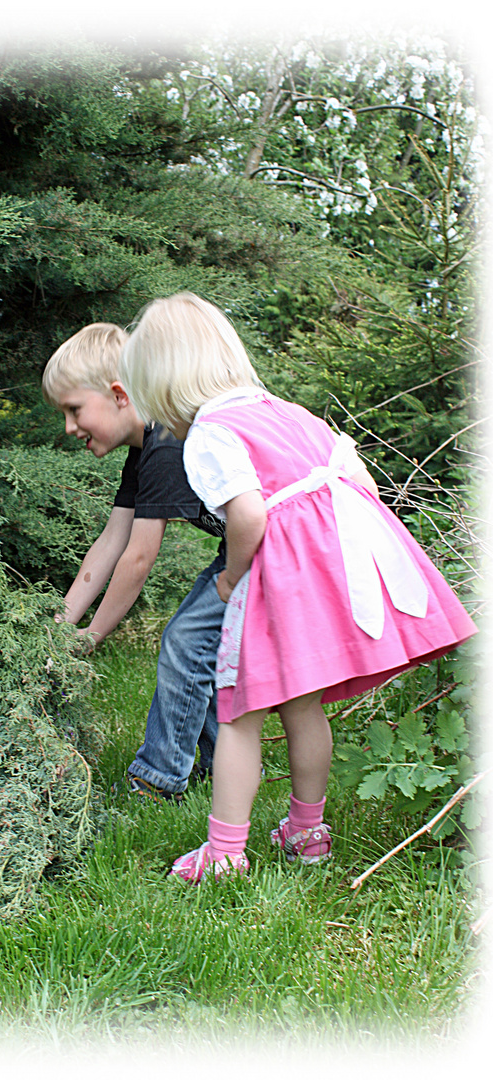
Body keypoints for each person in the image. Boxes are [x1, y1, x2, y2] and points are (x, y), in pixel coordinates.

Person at [119, 292, 478, 881]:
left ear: (161, 383)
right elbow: (357, 480)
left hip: (278, 574)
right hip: (331, 564)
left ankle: (225, 854)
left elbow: (250, 516)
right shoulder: (289, 412)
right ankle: (308, 832)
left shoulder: (211, 430)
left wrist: (233, 579)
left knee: (239, 713)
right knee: (304, 705)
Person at [41, 322, 231, 801]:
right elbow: (111, 542)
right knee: (204, 645)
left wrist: (93, 636)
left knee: (187, 639)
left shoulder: (167, 441)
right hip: (250, 550)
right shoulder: (144, 448)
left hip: (281, 545)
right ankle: (209, 765)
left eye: (74, 409)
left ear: (119, 394)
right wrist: (61, 627)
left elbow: (139, 557)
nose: (69, 427)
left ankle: (158, 778)